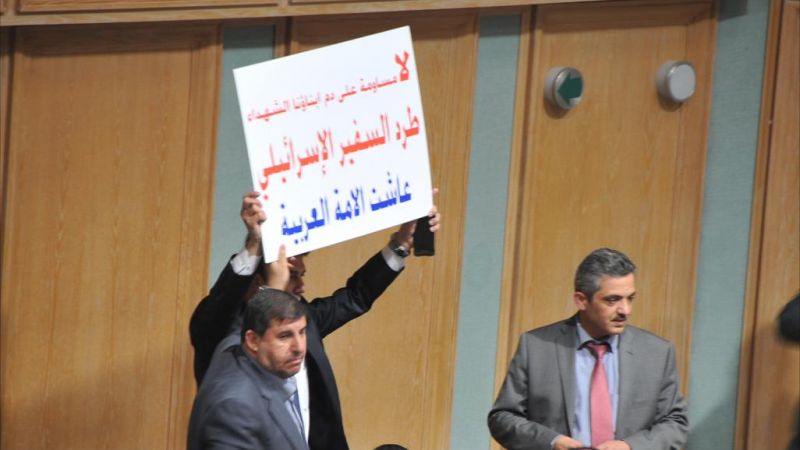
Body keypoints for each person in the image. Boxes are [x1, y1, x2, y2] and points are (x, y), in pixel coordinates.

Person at [190, 191, 440, 450]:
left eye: (302, 275)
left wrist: (401, 244)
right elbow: (220, 306)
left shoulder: (302, 318)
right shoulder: (224, 331)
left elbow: (355, 296)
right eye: (292, 275)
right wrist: (254, 245)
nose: (301, 286)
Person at [488, 248, 688, 450]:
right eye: (612, 300)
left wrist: (630, 446)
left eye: (630, 298)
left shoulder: (657, 353)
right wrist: (550, 442)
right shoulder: (536, 347)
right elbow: (503, 417)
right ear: (581, 300)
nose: (625, 310)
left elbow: (675, 423)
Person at [187, 288, 310, 450]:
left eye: (302, 332)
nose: (299, 348)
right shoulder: (235, 407)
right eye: (284, 336)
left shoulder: (235, 351)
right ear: (252, 341)